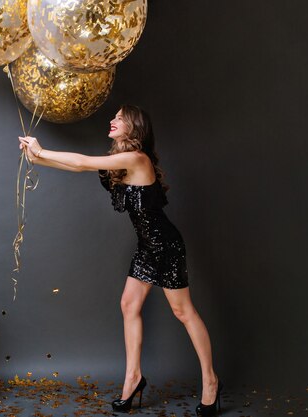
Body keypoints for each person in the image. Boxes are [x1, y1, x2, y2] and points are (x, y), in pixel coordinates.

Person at [18, 104, 222, 416]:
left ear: (134, 127)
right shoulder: (119, 162)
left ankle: (210, 381)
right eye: (113, 116)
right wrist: (39, 157)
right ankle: (133, 378)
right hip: (146, 247)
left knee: (183, 311)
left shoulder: (136, 159)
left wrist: (44, 151)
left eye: (119, 117)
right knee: (129, 305)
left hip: (166, 246)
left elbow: (84, 162)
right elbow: (78, 167)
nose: (112, 120)